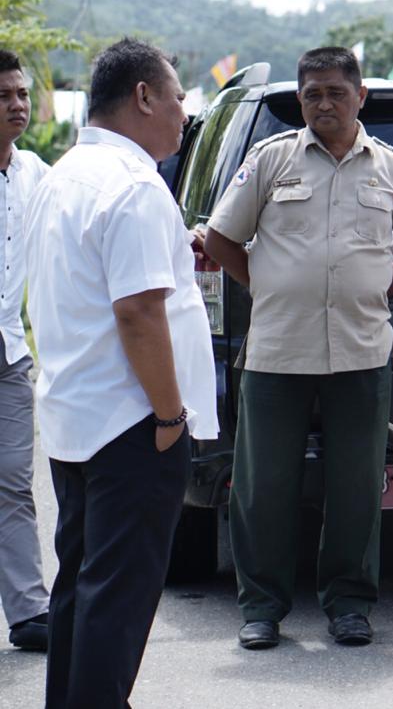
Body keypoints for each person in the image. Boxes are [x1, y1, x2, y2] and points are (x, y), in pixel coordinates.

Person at [204, 46, 393, 650]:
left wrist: (373, 290)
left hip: (361, 352)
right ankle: (262, 607)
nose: (324, 103)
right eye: (312, 94)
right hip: (278, 350)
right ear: (301, 100)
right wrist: (269, 286)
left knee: (357, 488)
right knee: (262, 488)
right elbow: (224, 238)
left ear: (360, 97)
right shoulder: (270, 160)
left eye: (336, 92)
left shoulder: (392, 169)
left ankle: (350, 604)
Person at [24, 38, 217, 708]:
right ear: (143, 97)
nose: (182, 115)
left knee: (82, 586)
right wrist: (170, 415)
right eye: (177, 99)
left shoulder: (64, 172)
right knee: (119, 599)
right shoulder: (134, 186)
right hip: (133, 424)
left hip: (79, 414)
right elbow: (137, 312)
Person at [0, 51, 51, 653]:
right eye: (4, 95)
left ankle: (30, 611)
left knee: (13, 485)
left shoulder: (38, 172)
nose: (17, 104)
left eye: (21, 93)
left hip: (10, 357)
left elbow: (94, 208)